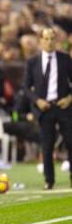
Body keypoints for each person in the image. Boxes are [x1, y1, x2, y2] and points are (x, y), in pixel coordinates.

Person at [24, 27, 72, 190]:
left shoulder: (65, 59)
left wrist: (69, 98)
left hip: (63, 106)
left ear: (56, 41)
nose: (50, 42)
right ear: (40, 41)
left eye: (52, 39)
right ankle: (49, 180)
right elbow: (25, 87)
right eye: (46, 39)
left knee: (70, 141)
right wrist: (37, 101)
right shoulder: (32, 62)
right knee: (47, 145)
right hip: (44, 108)